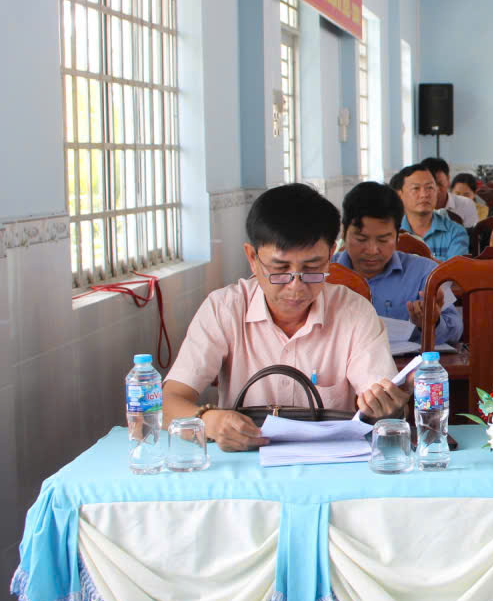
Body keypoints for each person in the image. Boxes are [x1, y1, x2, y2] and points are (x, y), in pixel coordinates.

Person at [162, 185, 406, 451]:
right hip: (245, 458)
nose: (295, 286)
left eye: (312, 268)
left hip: (329, 458)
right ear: (252, 258)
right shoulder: (224, 309)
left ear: (330, 256)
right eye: (280, 269)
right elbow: (168, 402)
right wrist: (208, 420)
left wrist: (385, 406)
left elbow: (381, 401)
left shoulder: (354, 312)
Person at [332, 182, 462, 346]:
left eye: (383, 240)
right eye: (361, 239)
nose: (372, 250)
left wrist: (432, 322)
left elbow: (455, 331)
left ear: (397, 237)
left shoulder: (425, 272)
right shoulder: (324, 274)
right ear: (343, 232)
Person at [391, 163, 469, 260]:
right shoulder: (390, 232)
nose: (424, 194)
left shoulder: (455, 232)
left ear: (437, 191)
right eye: (416, 188)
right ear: (400, 195)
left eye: (430, 187)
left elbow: (456, 269)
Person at [421, 157, 478, 229]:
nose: (436, 190)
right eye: (430, 186)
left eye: (440, 184)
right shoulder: (414, 207)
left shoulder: (466, 204)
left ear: (448, 180)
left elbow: (471, 234)